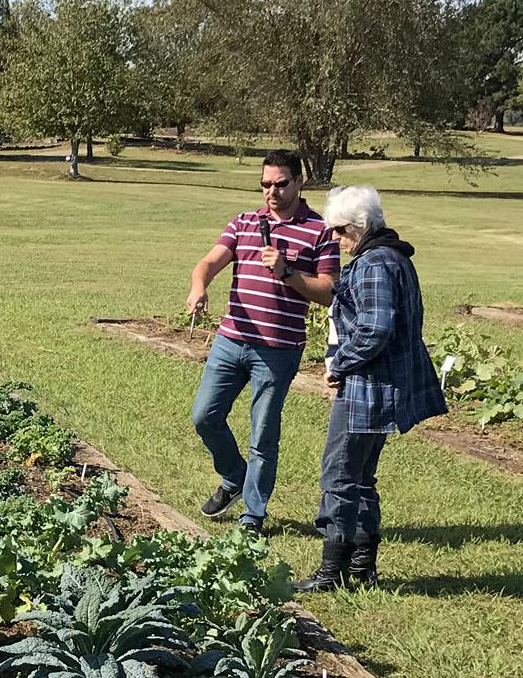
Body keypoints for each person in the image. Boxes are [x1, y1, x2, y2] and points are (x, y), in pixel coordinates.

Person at [297, 186, 445, 593]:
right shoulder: (393, 257)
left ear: (361, 227)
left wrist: (339, 362)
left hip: (368, 387)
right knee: (361, 476)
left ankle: (333, 571)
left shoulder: (375, 264)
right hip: (381, 385)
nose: (335, 239)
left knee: (339, 474)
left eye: (340, 231)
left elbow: (376, 328)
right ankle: (363, 568)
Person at [184, 149, 338, 532]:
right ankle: (235, 476)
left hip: (278, 349)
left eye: (281, 184)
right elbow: (208, 262)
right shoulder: (244, 222)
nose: (272, 192)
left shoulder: (320, 231)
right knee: (204, 416)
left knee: (263, 433)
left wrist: (287, 272)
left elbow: (330, 291)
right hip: (231, 339)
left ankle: (253, 515)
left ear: (300, 182)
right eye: (266, 184)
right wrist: (199, 287)